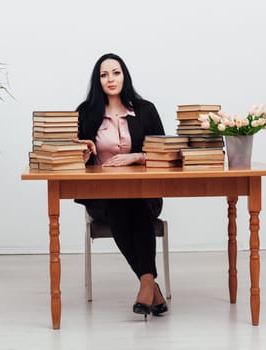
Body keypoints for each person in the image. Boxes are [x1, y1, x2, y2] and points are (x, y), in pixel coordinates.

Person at [73, 53, 168, 318]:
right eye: (104, 75)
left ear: (124, 75)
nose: (110, 79)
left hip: (143, 193)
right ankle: (150, 285)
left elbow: (165, 151)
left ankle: (148, 285)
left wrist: (137, 156)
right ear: (97, 80)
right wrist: (85, 155)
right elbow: (71, 159)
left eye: (115, 72)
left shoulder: (146, 109)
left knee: (134, 203)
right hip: (102, 198)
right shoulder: (85, 113)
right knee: (119, 204)